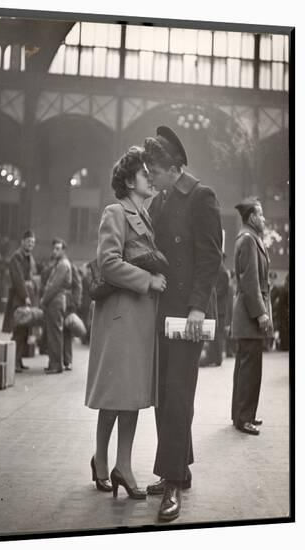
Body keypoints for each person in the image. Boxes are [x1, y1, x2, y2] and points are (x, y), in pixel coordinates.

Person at [143, 127, 222, 521]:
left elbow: (210, 260)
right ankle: (180, 469)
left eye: (154, 170)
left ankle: (172, 482)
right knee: (165, 395)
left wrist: (197, 308)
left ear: (172, 168)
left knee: (178, 396)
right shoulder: (162, 200)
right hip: (162, 311)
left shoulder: (201, 197)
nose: (150, 177)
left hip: (186, 316)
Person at [85, 146, 167, 499]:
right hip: (121, 318)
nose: (150, 177)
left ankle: (121, 464)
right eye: (145, 172)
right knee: (116, 395)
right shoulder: (115, 212)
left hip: (139, 319)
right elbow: (107, 262)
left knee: (131, 396)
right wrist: (147, 280)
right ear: (129, 180)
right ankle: (104, 460)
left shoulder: (145, 217)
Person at [231, 197, 273, 435]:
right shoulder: (248, 240)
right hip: (249, 315)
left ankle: (240, 415)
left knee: (245, 367)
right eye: (262, 214)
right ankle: (244, 418)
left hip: (247, 314)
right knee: (250, 369)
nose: (264, 219)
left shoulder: (249, 238)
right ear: (252, 217)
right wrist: (261, 314)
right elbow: (250, 282)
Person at [2, 230, 38, 372]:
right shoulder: (16, 257)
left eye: (33, 242)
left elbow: (31, 277)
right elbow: (18, 280)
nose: (31, 244)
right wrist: (25, 296)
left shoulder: (30, 257)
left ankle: (19, 360)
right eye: (29, 241)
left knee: (24, 330)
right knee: (18, 330)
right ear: (22, 241)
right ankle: (14, 362)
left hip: (26, 298)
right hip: (19, 299)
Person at [40, 238, 72, 374]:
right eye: (54, 248)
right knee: (53, 334)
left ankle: (56, 365)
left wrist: (43, 300)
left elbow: (54, 286)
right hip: (54, 301)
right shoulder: (59, 263)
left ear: (63, 250)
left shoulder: (63, 264)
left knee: (55, 335)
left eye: (58, 249)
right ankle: (53, 362)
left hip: (56, 301)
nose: (55, 251)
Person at [199, 259, 230, 367]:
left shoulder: (221, 271)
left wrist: (211, 294)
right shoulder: (222, 270)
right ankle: (215, 358)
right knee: (216, 335)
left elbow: (221, 290)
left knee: (217, 335)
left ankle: (216, 358)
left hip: (219, 308)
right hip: (219, 308)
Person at [62, 260, 83, 370]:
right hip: (56, 304)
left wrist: (75, 303)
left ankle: (67, 361)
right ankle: (58, 361)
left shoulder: (71, 266)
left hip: (68, 305)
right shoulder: (53, 266)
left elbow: (78, 286)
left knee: (67, 332)